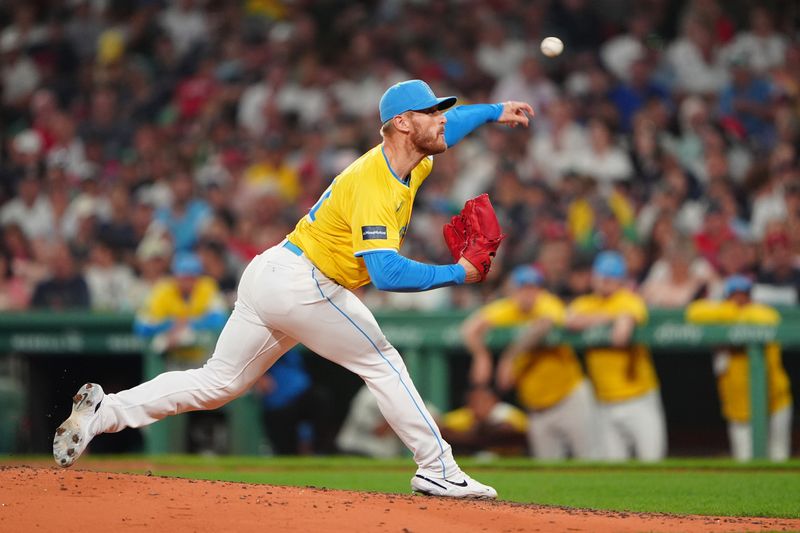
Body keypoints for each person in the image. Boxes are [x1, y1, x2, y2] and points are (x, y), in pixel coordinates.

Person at [53, 79, 533, 499]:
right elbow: (385, 274)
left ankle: (104, 411)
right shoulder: (374, 183)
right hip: (305, 284)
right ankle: (439, 470)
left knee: (219, 382)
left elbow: (458, 123)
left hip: (273, 271)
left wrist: (494, 112)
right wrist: (457, 274)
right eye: (432, 113)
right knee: (381, 360)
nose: (443, 120)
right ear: (404, 123)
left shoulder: (414, 161)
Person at [463, 265, 598, 460]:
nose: (529, 294)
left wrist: (510, 357)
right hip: (537, 409)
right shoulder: (508, 308)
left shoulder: (547, 303)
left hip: (570, 399)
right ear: (513, 291)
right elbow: (470, 327)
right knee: (548, 471)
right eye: (523, 288)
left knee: (591, 461)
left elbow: (543, 325)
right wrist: (480, 355)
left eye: (533, 288)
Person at [565, 251, 667, 461]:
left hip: (638, 398)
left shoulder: (629, 300)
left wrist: (600, 319)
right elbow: (570, 320)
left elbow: (621, 336)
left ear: (620, 280)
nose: (604, 283)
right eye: (601, 277)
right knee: (613, 467)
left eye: (610, 278)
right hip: (604, 403)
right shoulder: (586, 303)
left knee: (652, 462)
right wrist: (610, 317)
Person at [686, 275, 792, 461]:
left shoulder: (762, 313)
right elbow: (693, 313)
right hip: (737, 407)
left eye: (743, 295)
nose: (739, 299)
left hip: (774, 402)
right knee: (744, 462)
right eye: (734, 295)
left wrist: (733, 315)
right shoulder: (722, 315)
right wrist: (731, 312)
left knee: (778, 458)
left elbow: (768, 319)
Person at [440, 386, 528, 457]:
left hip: (510, 458)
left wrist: (484, 429)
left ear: (493, 401)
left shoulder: (506, 413)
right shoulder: (467, 414)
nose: (477, 406)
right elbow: (442, 427)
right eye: (473, 402)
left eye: (482, 401)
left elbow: (512, 432)